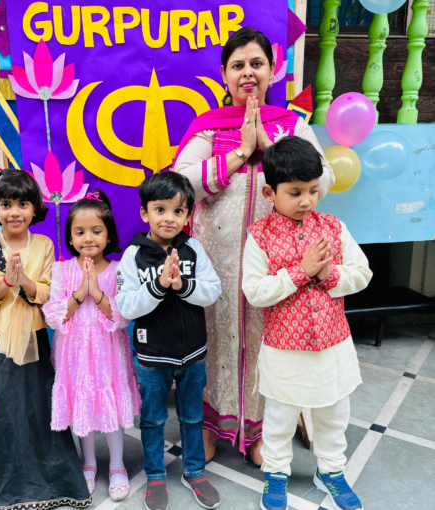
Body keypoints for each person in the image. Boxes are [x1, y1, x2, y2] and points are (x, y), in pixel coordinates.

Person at [173, 26, 336, 465]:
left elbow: (327, 177)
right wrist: (239, 153)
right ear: (225, 75)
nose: (248, 73)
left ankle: (265, 431)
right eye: (238, 65)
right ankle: (211, 426)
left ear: (272, 70)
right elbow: (180, 183)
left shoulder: (292, 126)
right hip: (216, 262)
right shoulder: (209, 127)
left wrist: (270, 149)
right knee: (214, 336)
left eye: (256, 63)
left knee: (272, 342)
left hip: (280, 263)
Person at [0, 169, 91, 509]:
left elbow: (47, 293)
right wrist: (4, 283)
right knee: (8, 407)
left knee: (40, 404)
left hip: (34, 337)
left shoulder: (43, 245)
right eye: (6, 204)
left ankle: (53, 476)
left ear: (33, 208)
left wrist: (23, 279)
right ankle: (10, 483)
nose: (14, 212)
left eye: (23, 204)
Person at [242, 137, 371, 510]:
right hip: (284, 347)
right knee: (281, 415)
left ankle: (330, 470)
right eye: (295, 192)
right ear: (270, 191)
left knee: (334, 412)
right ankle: (277, 473)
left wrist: (329, 273)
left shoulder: (333, 227)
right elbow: (254, 291)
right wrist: (300, 272)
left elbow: (362, 273)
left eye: (313, 191)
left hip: (333, 345)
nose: (306, 201)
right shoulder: (260, 236)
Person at [116, 172, 222, 510]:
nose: (169, 218)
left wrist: (182, 286)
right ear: (145, 213)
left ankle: (194, 471)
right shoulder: (134, 255)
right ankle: (156, 476)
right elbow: (127, 307)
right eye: (160, 210)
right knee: (153, 418)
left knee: (192, 416)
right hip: (152, 355)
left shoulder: (193, 249)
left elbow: (213, 291)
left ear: (188, 216)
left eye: (179, 211)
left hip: (192, 353)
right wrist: (158, 286)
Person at [43, 189, 141, 501]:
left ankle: (116, 466)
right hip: (73, 355)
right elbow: (54, 315)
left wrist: (97, 292)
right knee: (81, 405)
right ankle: (87, 464)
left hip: (109, 353)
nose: (88, 238)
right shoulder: (60, 270)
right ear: (70, 237)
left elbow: (123, 314)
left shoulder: (119, 270)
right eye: (80, 232)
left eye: (97, 231)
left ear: (109, 234)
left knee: (110, 404)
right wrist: (79, 292)